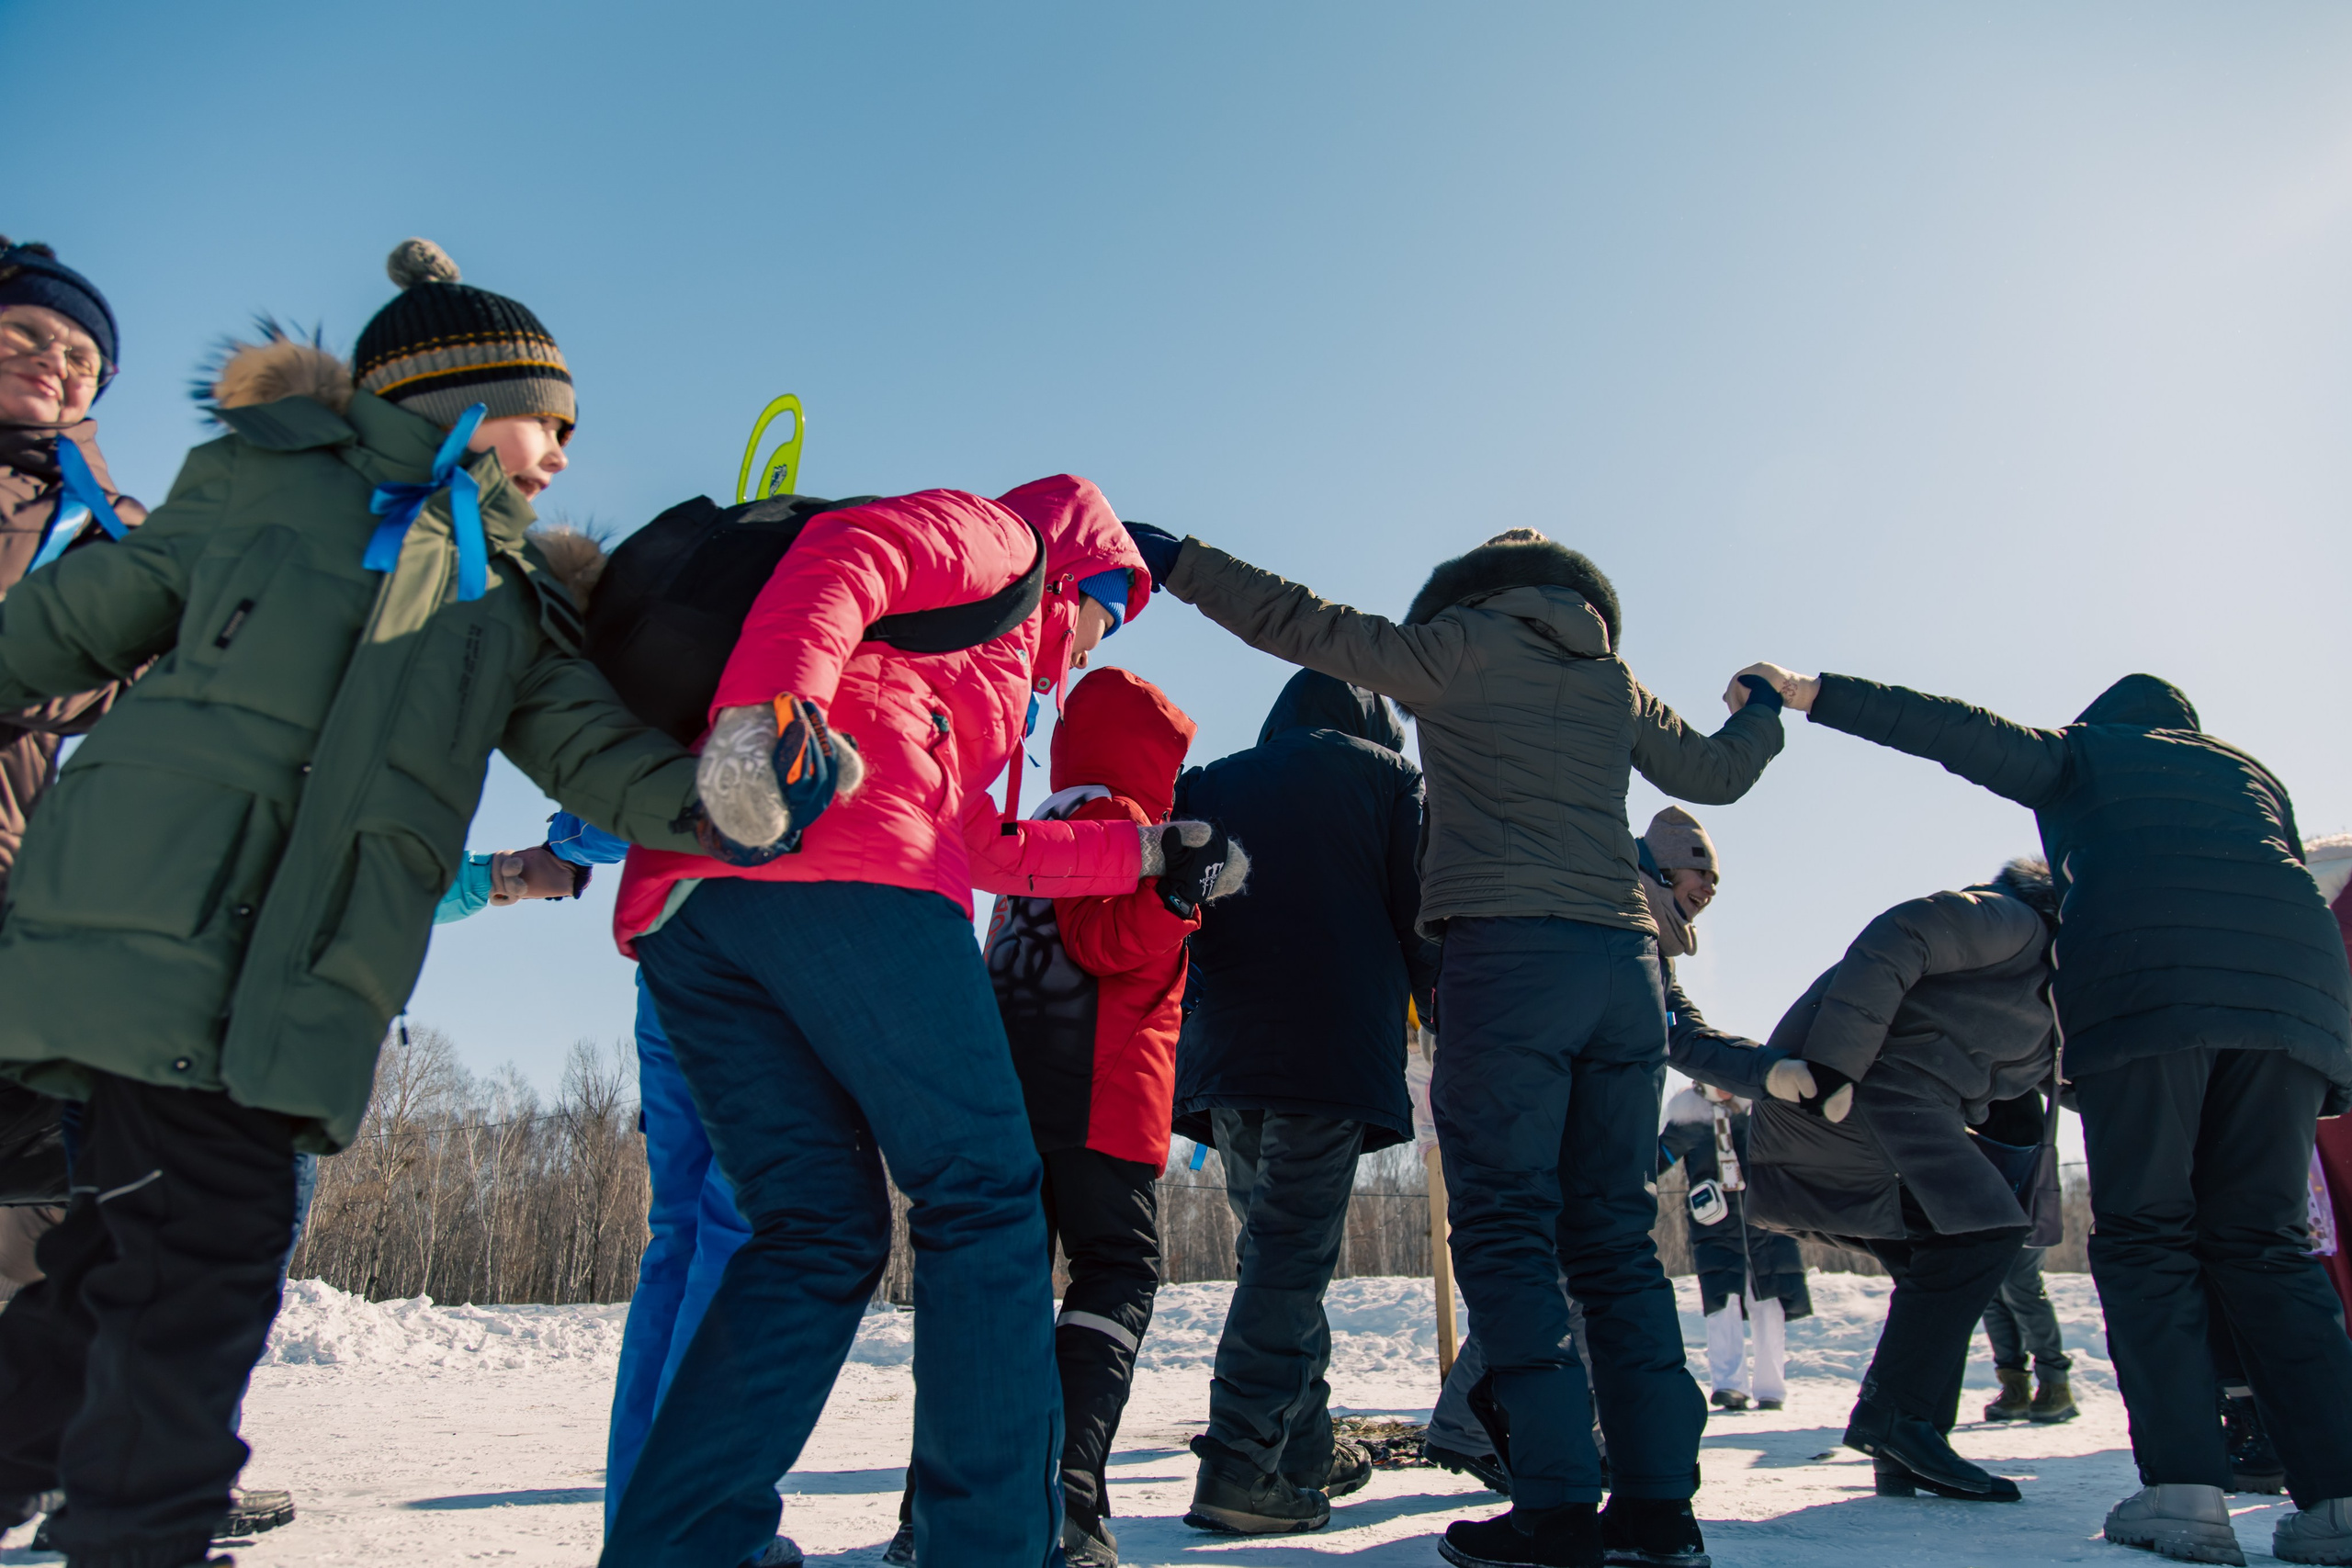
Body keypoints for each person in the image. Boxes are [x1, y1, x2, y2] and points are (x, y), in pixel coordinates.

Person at [0, 239, 708, 1568]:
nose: (559, 455)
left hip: (301, 980)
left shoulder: (510, 598)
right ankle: (137, 1536)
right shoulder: (254, 484)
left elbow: (596, 751)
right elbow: (61, 628)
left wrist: (723, 799)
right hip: (147, 939)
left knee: (112, 1276)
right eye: (543, 421)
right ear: (451, 395)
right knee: (197, 1274)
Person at [1125, 523, 1785, 1568]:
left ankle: (1557, 1506)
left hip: (1495, 967)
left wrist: (1174, 558)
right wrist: (1761, 713)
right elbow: (1715, 774)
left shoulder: (1454, 648)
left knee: (1505, 1233)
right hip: (1621, 968)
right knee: (1612, 1242)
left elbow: (1299, 620)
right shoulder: (1613, 681)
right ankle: (1659, 1511)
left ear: (1471, 593)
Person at [605, 477, 1229, 1568]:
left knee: (815, 1229)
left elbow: (984, 845)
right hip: (836, 864)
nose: (1092, 640)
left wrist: (1142, 855)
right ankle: (985, 1546)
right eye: (1109, 609)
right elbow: (848, 554)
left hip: (696, 904)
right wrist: (772, 731)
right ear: (1080, 567)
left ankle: (684, 1546)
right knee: (983, 1192)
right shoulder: (1000, 539)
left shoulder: (972, 682)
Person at [1736, 664, 2352, 1566]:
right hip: (2294, 1016)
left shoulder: (2086, 755)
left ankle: (2184, 1496)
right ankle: (2338, 1503)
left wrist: (1810, 691)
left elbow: (1953, 730)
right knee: (2266, 1247)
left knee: (2148, 1237)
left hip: (2147, 1002)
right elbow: (2280, 894)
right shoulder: (2251, 777)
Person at [873, 665, 1218, 1568]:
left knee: (1003, 1299)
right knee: (1117, 1272)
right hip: (1101, 1096)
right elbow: (1104, 942)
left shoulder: (1034, 838)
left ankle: (936, 1508)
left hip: (1013, 1099)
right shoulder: (1121, 826)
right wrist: (1178, 903)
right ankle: (1068, 1491)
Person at [1425, 805, 1775, 1495]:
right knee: (1554, 1277)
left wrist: (1767, 1070)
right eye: (1700, 871)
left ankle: (1548, 1429)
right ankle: (1473, 1421)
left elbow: (1683, 1033)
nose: (1709, 888)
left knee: (1568, 1283)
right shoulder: (1619, 918)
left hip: (1570, 1123)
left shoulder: (1643, 935)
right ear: (1664, 864)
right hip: (1546, 1120)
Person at [1163, 670, 1435, 1534]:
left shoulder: (1211, 778)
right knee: (1288, 1257)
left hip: (1225, 1052)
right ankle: (1241, 1464)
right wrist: (1444, 1020)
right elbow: (1419, 913)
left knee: (1271, 1252)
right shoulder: (1391, 779)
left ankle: (1304, 1448)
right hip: (1329, 1047)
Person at [1741, 856, 2060, 1505]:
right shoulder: (2016, 922)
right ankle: (1897, 1422)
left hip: (1879, 1109)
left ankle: (1907, 1442)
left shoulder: (2052, 991)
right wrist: (1834, 1065)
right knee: (1984, 1233)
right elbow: (1905, 931)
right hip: (1849, 1097)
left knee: (1939, 1254)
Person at [0, 236, 147, 1306]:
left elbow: (147, 671)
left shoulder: (101, 522)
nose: (59, 362)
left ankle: (34, 1466)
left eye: (83, 358)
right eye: (28, 336)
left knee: (34, 1197)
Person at [1659, 1083, 1812, 1415]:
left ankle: (1771, 1389)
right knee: (1722, 1303)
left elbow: (1791, 1151)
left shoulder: (1758, 1112)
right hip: (1715, 1226)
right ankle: (1729, 1386)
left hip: (1765, 1222)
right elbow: (1658, 1160)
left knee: (1769, 1302)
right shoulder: (1689, 1118)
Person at [1979, 1246, 2075, 1424]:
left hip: (2028, 1220)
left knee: (2019, 1282)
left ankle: (2055, 1385)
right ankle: (2014, 1387)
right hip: (1984, 1220)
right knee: (1990, 1289)